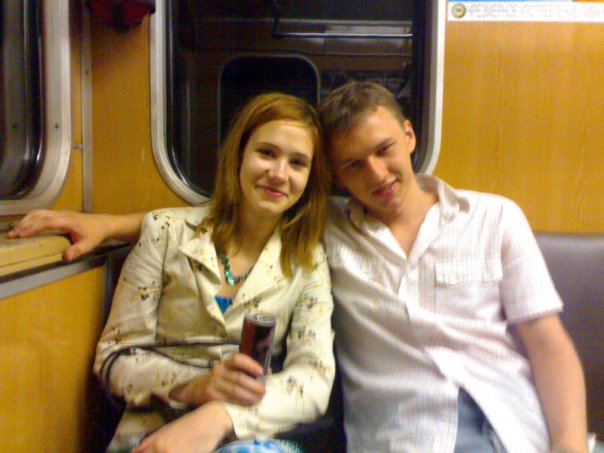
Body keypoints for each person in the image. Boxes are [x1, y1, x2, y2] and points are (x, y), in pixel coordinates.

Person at [9, 82, 588, 453]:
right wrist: (109, 225)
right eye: (353, 165)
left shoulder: (488, 217)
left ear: (410, 136)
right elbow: (214, 222)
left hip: (512, 420)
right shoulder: (310, 232)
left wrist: (567, 447)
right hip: (401, 434)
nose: (377, 174)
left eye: (385, 149)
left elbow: (548, 344)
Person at [23, 92, 335, 453]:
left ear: (309, 178)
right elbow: (115, 358)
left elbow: (314, 377)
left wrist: (219, 416)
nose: (279, 174)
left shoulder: (307, 260)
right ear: (238, 156)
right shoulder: (166, 231)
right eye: (266, 153)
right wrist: (195, 385)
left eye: (297, 163)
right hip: (152, 429)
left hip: (247, 432)